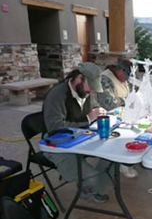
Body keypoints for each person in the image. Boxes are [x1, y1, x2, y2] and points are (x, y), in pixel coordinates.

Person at [43, 62, 111, 203]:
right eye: (90, 86)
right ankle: (87, 188)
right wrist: (88, 119)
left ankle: (90, 188)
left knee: (113, 159)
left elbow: (94, 106)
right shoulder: (57, 95)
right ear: (79, 78)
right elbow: (55, 128)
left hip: (82, 138)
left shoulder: (84, 90)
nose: (91, 91)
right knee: (95, 178)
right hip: (59, 145)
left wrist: (98, 111)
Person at [97, 60, 138, 178]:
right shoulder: (105, 79)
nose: (127, 79)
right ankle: (122, 162)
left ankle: (127, 160)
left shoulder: (123, 80)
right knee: (127, 133)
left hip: (123, 113)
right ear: (119, 70)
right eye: (126, 76)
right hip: (107, 117)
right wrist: (128, 101)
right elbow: (108, 103)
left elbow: (132, 93)